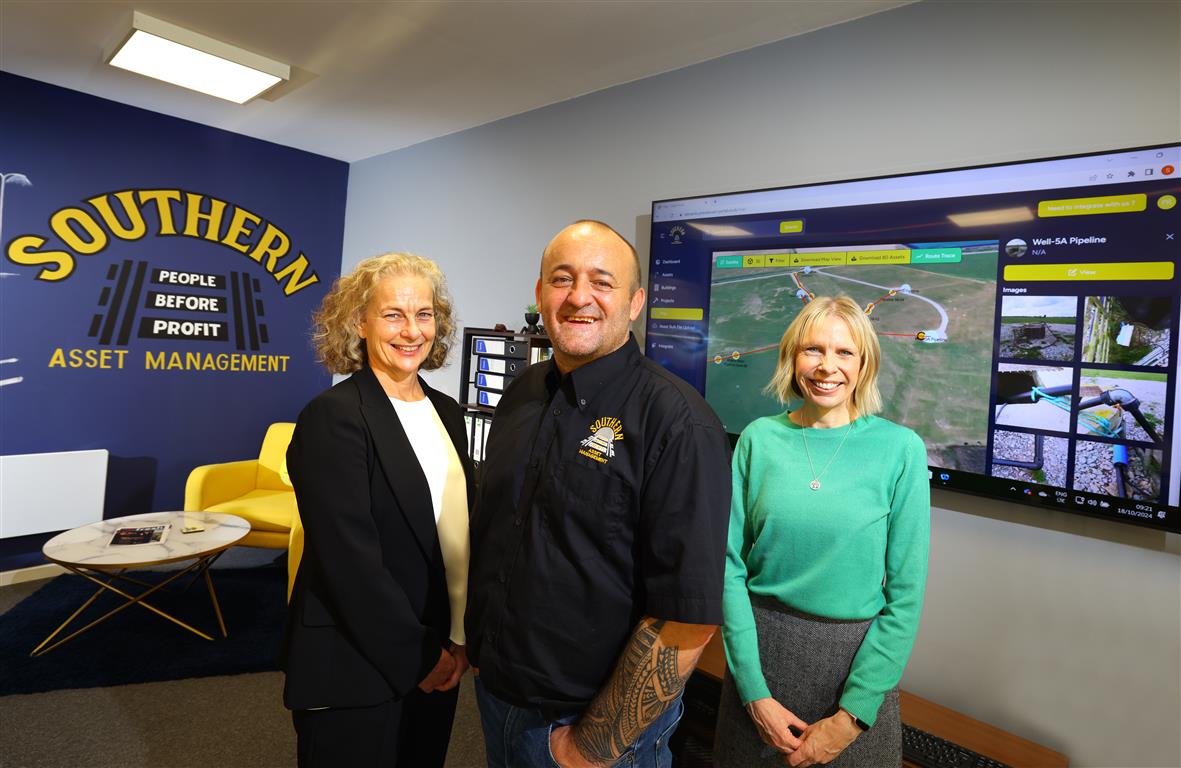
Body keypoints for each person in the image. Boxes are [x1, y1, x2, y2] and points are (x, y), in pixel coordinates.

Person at [466, 220, 732, 767]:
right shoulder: (520, 395)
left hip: (591, 732)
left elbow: (688, 616)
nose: (579, 297)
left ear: (635, 303)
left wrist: (591, 747)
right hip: (497, 698)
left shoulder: (678, 425)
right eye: (562, 280)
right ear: (540, 294)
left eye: (602, 282)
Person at [714, 295, 930, 767]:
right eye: (812, 349)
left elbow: (906, 597)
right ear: (793, 357)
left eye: (844, 352)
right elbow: (727, 567)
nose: (826, 366)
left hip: (855, 672)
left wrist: (851, 716)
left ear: (865, 363)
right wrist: (753, 692)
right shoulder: (758, 439)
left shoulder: (901, 450)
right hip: (758, 662)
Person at [281, 252, 473, 768]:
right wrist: (419, 654)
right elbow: (351, 564)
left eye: (424, 314)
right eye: (393, 315)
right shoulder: (333, 418)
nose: (412, 330)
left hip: (440, 653)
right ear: (358, 323)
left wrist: (459, 637)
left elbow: (457, 539)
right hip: (358, 664)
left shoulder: (448, 414)